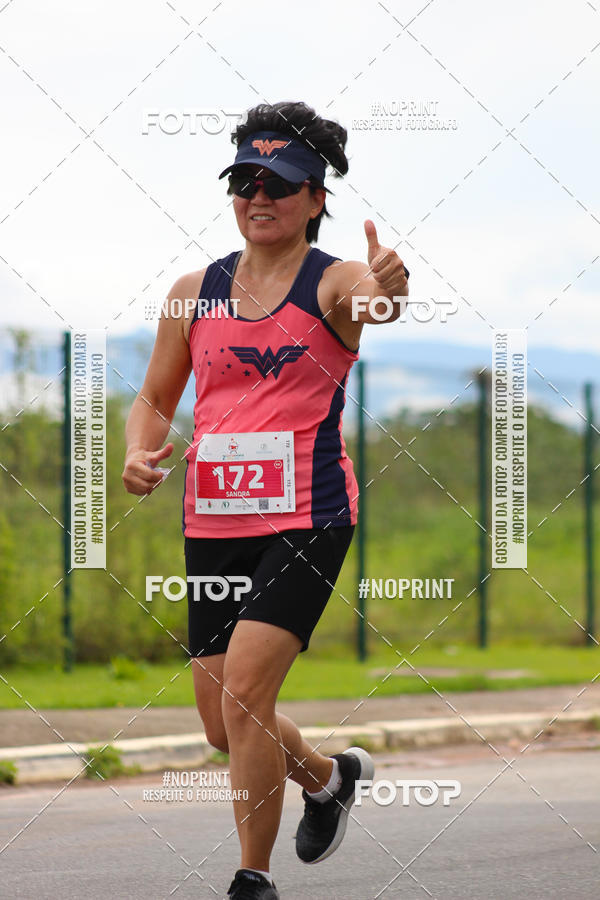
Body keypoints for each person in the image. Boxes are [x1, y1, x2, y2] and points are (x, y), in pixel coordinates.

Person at [122, 100, 409, 899]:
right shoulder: (194, 292)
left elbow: (375, 301)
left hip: (308, 516)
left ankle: (253, 878)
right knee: (223, 723)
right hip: (213, 520)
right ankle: (328, 778)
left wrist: (395, 284)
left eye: (278, 183)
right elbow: (152, 397)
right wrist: (139, 454)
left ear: (316, 198)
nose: (259, 196)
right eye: (245, 181)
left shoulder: (335, 282)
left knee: (248, 692)